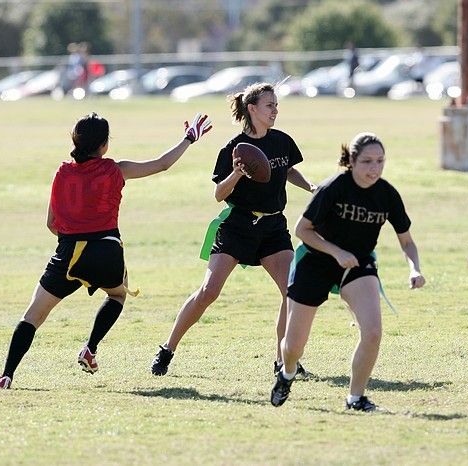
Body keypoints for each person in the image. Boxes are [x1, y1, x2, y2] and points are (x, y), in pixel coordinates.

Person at [0, 111, 212, 389]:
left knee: (32, 316)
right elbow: (162, 164)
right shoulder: (115, 169)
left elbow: (51, 224)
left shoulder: (62, 172)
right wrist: (188, 138)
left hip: (69, 254)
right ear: (104, 145)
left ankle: (6, 376)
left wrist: (75, 235)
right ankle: (90, 348)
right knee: (117, 294)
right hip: (107, 251)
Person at [150, 82, 316, 377]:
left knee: (292, 292)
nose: (275, 110)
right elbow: (218, 194)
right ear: (252, 109)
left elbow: (288, 170)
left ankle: (284, 361)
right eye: (270, 105)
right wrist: (238, 173)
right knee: (208, 292)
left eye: (276, 105)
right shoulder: (233, 148)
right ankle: (167, 348)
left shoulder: (282, 141)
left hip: (273, 226)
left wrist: (311, 187)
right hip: (238, 225)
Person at [270, 132, 425, 410]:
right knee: (293, 347)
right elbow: (302, 230)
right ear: (351, 161)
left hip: (357, 264)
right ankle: (287, 373)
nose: (374, 169)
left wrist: (414, 269)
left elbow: (407, 242)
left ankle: (355, 397)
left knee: (373, 332)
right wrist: (337, 251)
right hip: (315, 262)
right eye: (367, 161)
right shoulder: (333, 188)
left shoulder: (387, 194)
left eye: (380, 161)